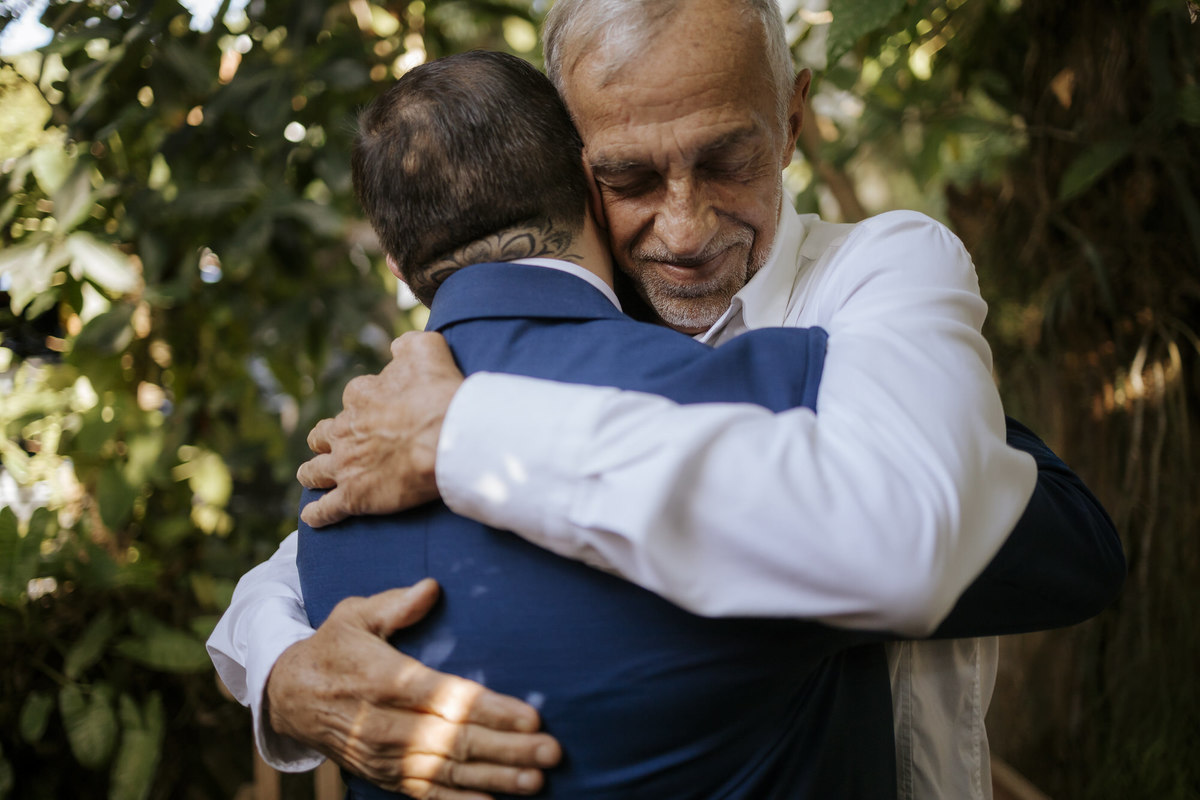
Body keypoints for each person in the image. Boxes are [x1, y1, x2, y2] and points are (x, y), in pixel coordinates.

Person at [207, 1, 1124, 798]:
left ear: (793, 119)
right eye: (630, 179)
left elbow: (1020, 542)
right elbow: (302, 554)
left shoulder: (877, 281)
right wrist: (282, 671)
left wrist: (465, 435)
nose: (684, 230)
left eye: (728, 159)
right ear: (567, 166)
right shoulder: (479, 356)